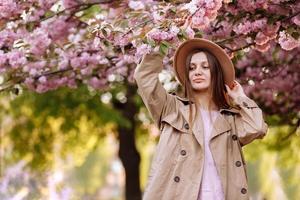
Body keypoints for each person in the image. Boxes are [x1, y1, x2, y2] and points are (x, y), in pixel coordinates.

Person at [133, 38, 268, 200]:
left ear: (215, 73)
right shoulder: (171, 108)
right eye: (192, 68)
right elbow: (144, 77)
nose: (197, 72)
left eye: (205, 67)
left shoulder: (230, 119)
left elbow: (257, 127)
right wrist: (160, 41)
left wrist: (240, 98)